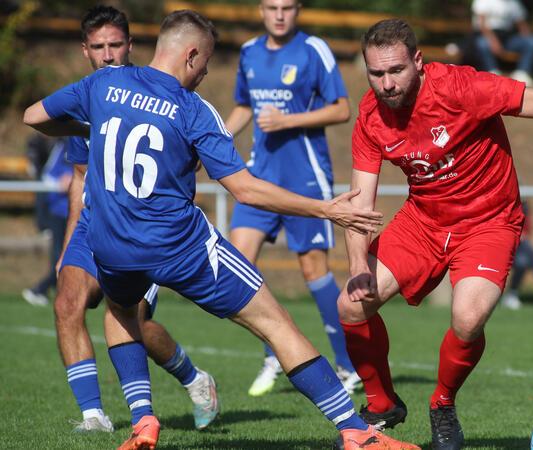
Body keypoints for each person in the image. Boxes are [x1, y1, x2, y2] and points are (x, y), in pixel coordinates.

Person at [24, 10, 419, 450]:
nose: (206, 72)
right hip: (180, 247)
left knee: (121, 311)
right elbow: (245, 190)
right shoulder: (193, 109)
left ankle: (143, 420)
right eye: (207, 62)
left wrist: (92, 124)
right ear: (191, 55)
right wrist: (325, 209)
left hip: (112, 243)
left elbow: (33, 116)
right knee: (276, 324)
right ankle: (356, 432)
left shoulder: (103, 84)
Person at [338, 19, 533, 450]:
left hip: (489, 222)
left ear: (418, 61)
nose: (387, 83)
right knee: (351, 304)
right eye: (376, 73)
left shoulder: (461, 88)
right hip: (423, 221)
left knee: (468, 317)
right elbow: (360, 202)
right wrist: (356, 266)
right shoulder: (371, 116)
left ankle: (442, 403)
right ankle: (382, 404)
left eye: (396, 70)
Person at [46, 5, 220, 433]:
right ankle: (94, 417)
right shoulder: (88, 98)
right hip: (93, 223)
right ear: (85, 51)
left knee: (131, 319)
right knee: (67, 302)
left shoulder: (161, 96)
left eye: (115, 45)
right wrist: (68, 245)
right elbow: (79, 178)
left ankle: (192, 378)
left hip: (147, 229)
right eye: (98, 47)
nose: (107, 55)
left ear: (131, 45)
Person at [223, 0, 360, 398]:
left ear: (298, 9)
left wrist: (288, 120)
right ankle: (275, 353)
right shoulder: (249, 52)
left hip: (305, 179)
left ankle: (348, 367)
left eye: (286, 7)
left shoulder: (313, 49)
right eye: (272, 7)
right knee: (238, 265)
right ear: (260, 10)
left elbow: (342, 109)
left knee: (314, 270)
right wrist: (216, 139)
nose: (279, 15)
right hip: (259, 177)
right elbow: (244, 105)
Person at [22, 136, 71, 307]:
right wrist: (61, 182)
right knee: (60, 257)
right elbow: (47, 175)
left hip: (80, 213)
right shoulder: (64, 146)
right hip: (59, 212)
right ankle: (39, 289)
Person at [471, 0, 533, 86]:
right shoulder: (483, 1)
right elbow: (481, 24)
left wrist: (526, 35)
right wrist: (493, 41)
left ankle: (522, 73)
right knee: (482, 43)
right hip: (486, 35)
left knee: (532, 41)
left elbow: (521, 23)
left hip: (507, 38)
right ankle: (492, 72)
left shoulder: (513, 3)